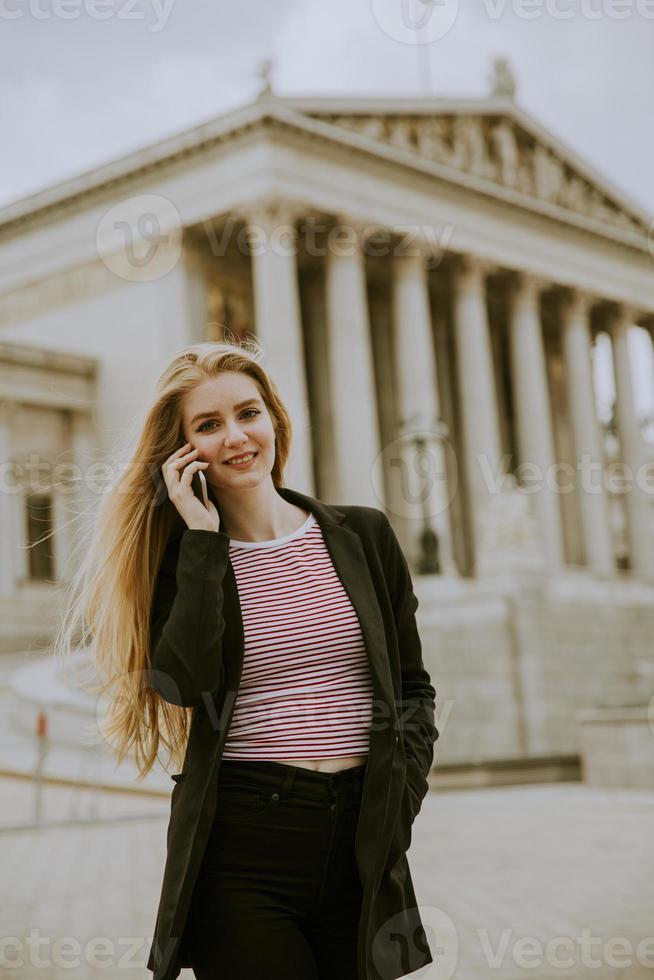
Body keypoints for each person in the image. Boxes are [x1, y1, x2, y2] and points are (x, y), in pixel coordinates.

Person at [54, 338, 438, 980]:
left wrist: (402, 795)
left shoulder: (364, 534)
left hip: (363, 839)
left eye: (248, 412)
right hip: (243, 845)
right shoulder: (184, 562)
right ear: (183, 453)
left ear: (275, 421)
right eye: (208, 425)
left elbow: (412, 686)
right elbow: (183, 684)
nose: (236, 435)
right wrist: (202, 540)